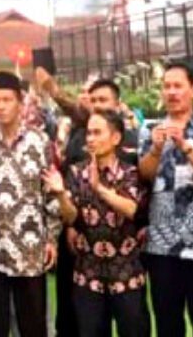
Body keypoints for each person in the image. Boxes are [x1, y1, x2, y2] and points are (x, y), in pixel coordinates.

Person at [137, 61, 193, 337]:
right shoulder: (150, 130)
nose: (172, 92)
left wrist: (186, 146)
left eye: (178, 86)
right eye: (166, 86)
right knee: (167, 321)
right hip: (162, 244)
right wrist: (155, 149)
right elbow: (145, 174)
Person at [43, 111, 148, 337]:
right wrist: (61, 195)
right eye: (88, 133)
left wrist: (99, 188)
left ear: (116, 138)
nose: (90, 138)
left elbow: (132, 209)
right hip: (88, 277)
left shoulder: (130, 172)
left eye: (97, 133)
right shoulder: (76, 172)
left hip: (126, 276)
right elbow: (71, 218)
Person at [0, 71, 61, 337]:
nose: (0, 106)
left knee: (33, 324)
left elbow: (51, 192)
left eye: (6, 100)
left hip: (30, 246)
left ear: (20, 103)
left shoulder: (40, 141)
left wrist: (52, 238)